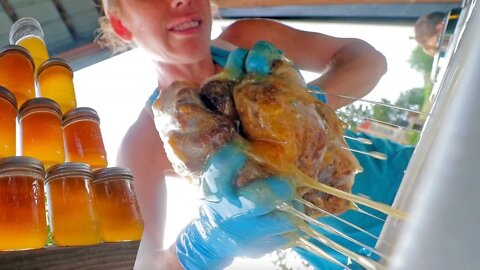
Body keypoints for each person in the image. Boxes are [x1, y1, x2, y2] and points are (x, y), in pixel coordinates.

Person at [96, 0, 406, 269]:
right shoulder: (143, 146)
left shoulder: (245, 40)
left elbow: (368, 59)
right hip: (359, 255)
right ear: (122, 26)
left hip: (406, 172)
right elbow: (144, 265)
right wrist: (205, 244)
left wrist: (312, 102)